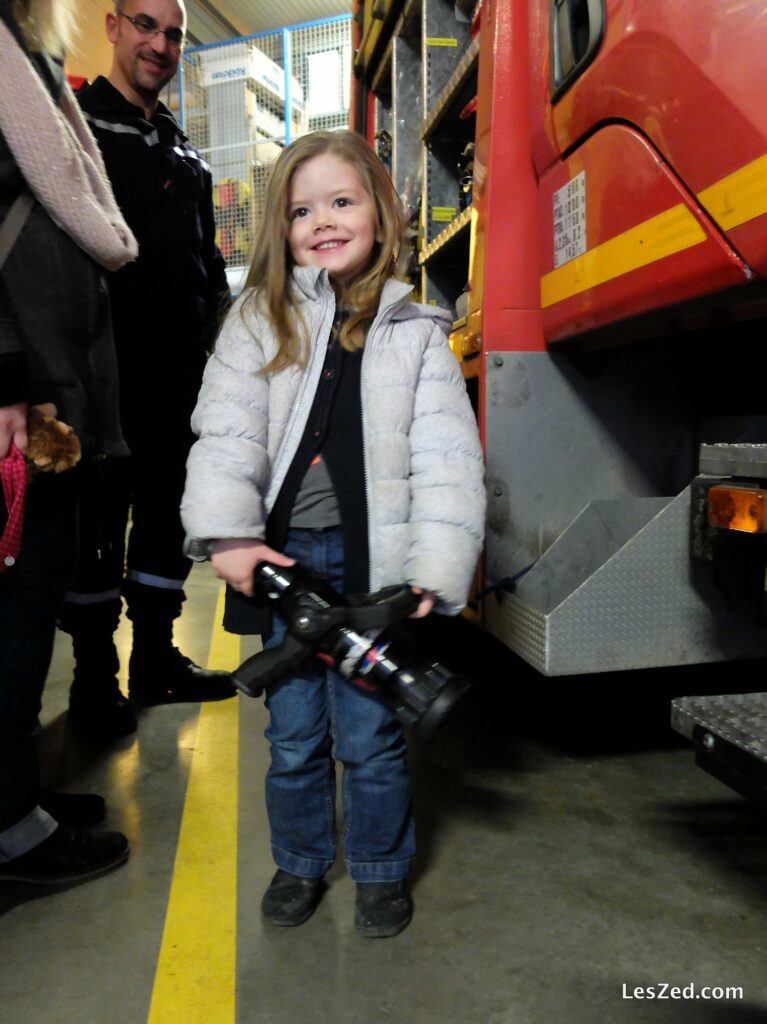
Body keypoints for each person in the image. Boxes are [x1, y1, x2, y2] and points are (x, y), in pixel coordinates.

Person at [180, 130, 486, 937]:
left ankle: (381, 870)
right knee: (292, 740)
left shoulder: (419, 332)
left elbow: (448, 459)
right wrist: (228, 536)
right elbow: (226, 435)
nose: (322, 220)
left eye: (341, 202)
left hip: (372, 571)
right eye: (300, 209)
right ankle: (301, 861)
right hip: (282, 567)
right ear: (280, 230)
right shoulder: (256, 321)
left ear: (380, 217)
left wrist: (434, 566)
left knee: (373, 739)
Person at [59, 0, 235, 742]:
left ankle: (156, 660)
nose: (158, 45)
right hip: (101, 373)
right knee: (97, 526)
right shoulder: (76, 130)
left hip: (178, 376)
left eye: (171, 34)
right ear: (112, 26)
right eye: (144, 25)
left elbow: (209, 261)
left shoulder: (182, 151)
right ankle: (95, 681)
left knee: (167, 516)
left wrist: (226, 346)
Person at [0, 0, 136, 883]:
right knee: (12, 621)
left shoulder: (22, 47)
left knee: (31, 605)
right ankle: (12, 829)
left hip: (48, 375)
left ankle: (16, 795)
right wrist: (4, 376)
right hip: (17, 389)